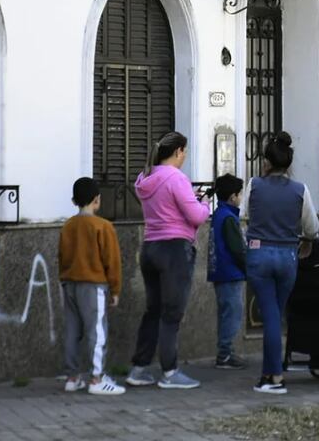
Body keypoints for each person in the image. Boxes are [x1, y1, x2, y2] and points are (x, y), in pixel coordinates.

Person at [127, 132, 210, 390]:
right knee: (172, 313)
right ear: (177, 152)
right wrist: (205, 203)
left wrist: (189, 196)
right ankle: (170, 371)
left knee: (153, 311)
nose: (185, 157)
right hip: (174, 250)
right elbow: (195, 216)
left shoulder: (146, 177)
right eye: (184, 152)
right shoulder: (176, 178)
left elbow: (166, 205)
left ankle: (139, 369)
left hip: (150, 247)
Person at [243, 131, 319, 394]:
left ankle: (273, 376)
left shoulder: (254, 185)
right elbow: (312, 226)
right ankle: (270, 372)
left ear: (266, 161)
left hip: (259, 253)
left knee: (271, 315)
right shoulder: (300, 190)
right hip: (288, 255)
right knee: (276, 312)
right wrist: (307, 242)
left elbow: (245, 216)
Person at [59, 177, 125, 395]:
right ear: (97, 199)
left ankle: (72, 377)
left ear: (73, 200)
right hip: (94, 285)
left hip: (69, 283)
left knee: (72, 331)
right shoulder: (103, 227)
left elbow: (62, 256)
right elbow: (112, 261)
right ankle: (96, 379)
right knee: (96, 332)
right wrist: (115, 290)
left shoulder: (68, 226)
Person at [207, 173, 247, 370]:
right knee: (232, 313)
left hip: (220, 272)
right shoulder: (229, 218)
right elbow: (237, 248)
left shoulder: (218, 214)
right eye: (240, 194)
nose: (241, 198)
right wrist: (248, 266)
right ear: (233, 196)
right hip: (230, 273)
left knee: (226, 312)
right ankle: (225, 353)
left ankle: (225, 352)